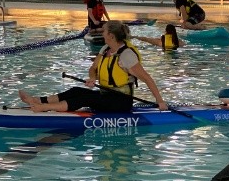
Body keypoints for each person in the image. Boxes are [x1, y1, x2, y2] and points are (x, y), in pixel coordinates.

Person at [18, 20, 168, 115]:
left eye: (104, 31)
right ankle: (38, 100)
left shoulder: (126, 56)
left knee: (87, 98)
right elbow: (93, 68)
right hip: (106, 95)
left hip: (121, 101)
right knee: (76, 91)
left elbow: (147, 78)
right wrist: (92, 78)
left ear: (111, 36)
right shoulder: (105, 49)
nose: (102, 34)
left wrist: (159, 101)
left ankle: (43, 108)